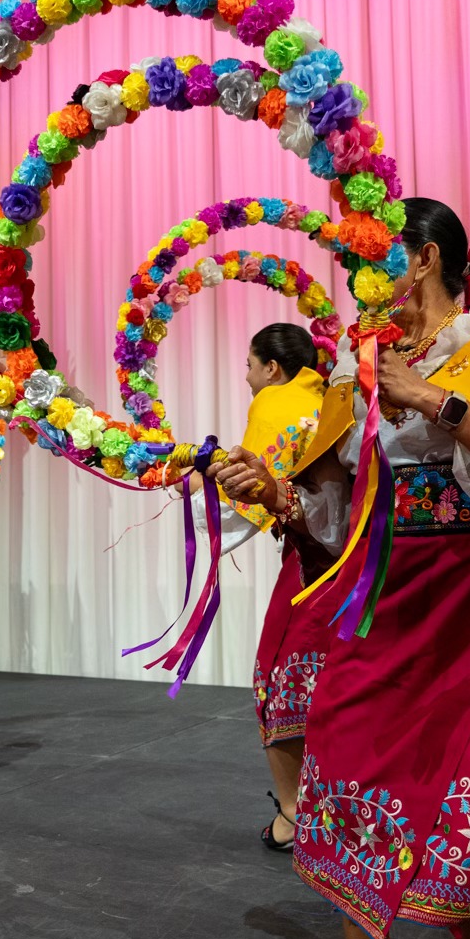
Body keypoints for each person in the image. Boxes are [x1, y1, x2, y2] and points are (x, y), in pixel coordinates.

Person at [214, 198, 470, 939]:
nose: (357, 278)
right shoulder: (356, 366)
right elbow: (334, 512)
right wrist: (273, 492)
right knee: (350, 778)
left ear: (423, 259)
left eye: (372, 258)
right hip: (385, 609)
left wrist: (430, 398)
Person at [200, 323, 329, 850]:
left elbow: (247, 499)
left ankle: (295, 815)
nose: (248, 378)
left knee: (278, 679)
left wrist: (194, 498)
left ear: (272, 368)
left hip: (317, 561)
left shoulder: (276, 401)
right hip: (364, 558)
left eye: (250, 367)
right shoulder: (329, 397)